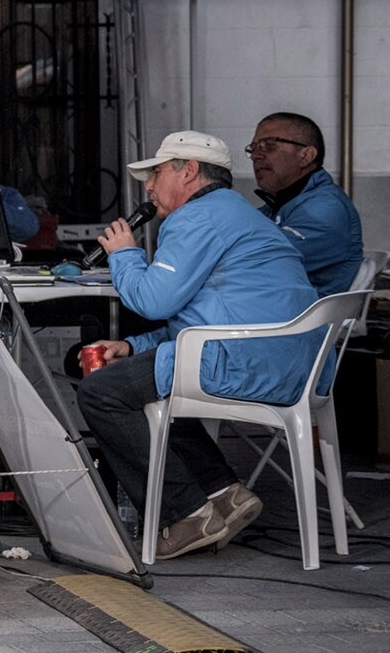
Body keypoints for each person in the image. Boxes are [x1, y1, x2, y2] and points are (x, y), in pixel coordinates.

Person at [76, 131, 319, 560]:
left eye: (155, 174)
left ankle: (185, 514)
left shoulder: (196, 218)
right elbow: (200, 319)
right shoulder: (237, 213)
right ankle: (224, 493)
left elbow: (153, 301)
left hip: (246, 362)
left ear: (187, 170)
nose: (148, 187)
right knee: (151, 384)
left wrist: (123, 254)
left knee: (101, 393)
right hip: (285, 361)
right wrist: (132, 347)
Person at [249, 112, 363, 297]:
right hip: (275, 308)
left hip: (298, 320)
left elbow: (258, 263)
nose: (255, 156)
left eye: (269, 146)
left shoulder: (325, 208)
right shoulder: (279, 204)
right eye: (252, 149)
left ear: (306, 155)